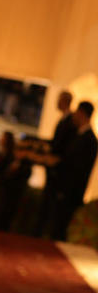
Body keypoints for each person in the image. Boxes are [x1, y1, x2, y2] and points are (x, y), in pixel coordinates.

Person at [49, 101, 98, 241]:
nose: (74, 115)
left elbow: (78, 168)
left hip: (71, 192)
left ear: (82, 113)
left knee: (61, 230)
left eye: (76, 112)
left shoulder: (90, 140)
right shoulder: (77, 135)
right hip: (64, 189)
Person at [33, 90, 76, 236]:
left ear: (65, 101)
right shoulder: (63, 119)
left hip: (58, 172)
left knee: (51, 207)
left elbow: (61, 147)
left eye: (59, 99)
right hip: (52, 170)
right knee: (45, 206)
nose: (56, 102)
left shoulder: (70, 122)